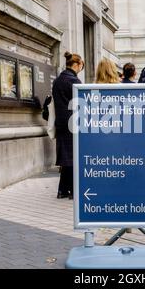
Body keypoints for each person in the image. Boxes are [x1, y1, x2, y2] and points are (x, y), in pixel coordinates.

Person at [52, 52, 84, 200]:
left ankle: (62, 190)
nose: (81, 69)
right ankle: (71, 190)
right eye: (81, 66)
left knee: (66, 157)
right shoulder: (74, 82)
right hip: (73, 123)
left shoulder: (58, 80)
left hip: (61, 123)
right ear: (76, 65)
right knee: (73, 157)